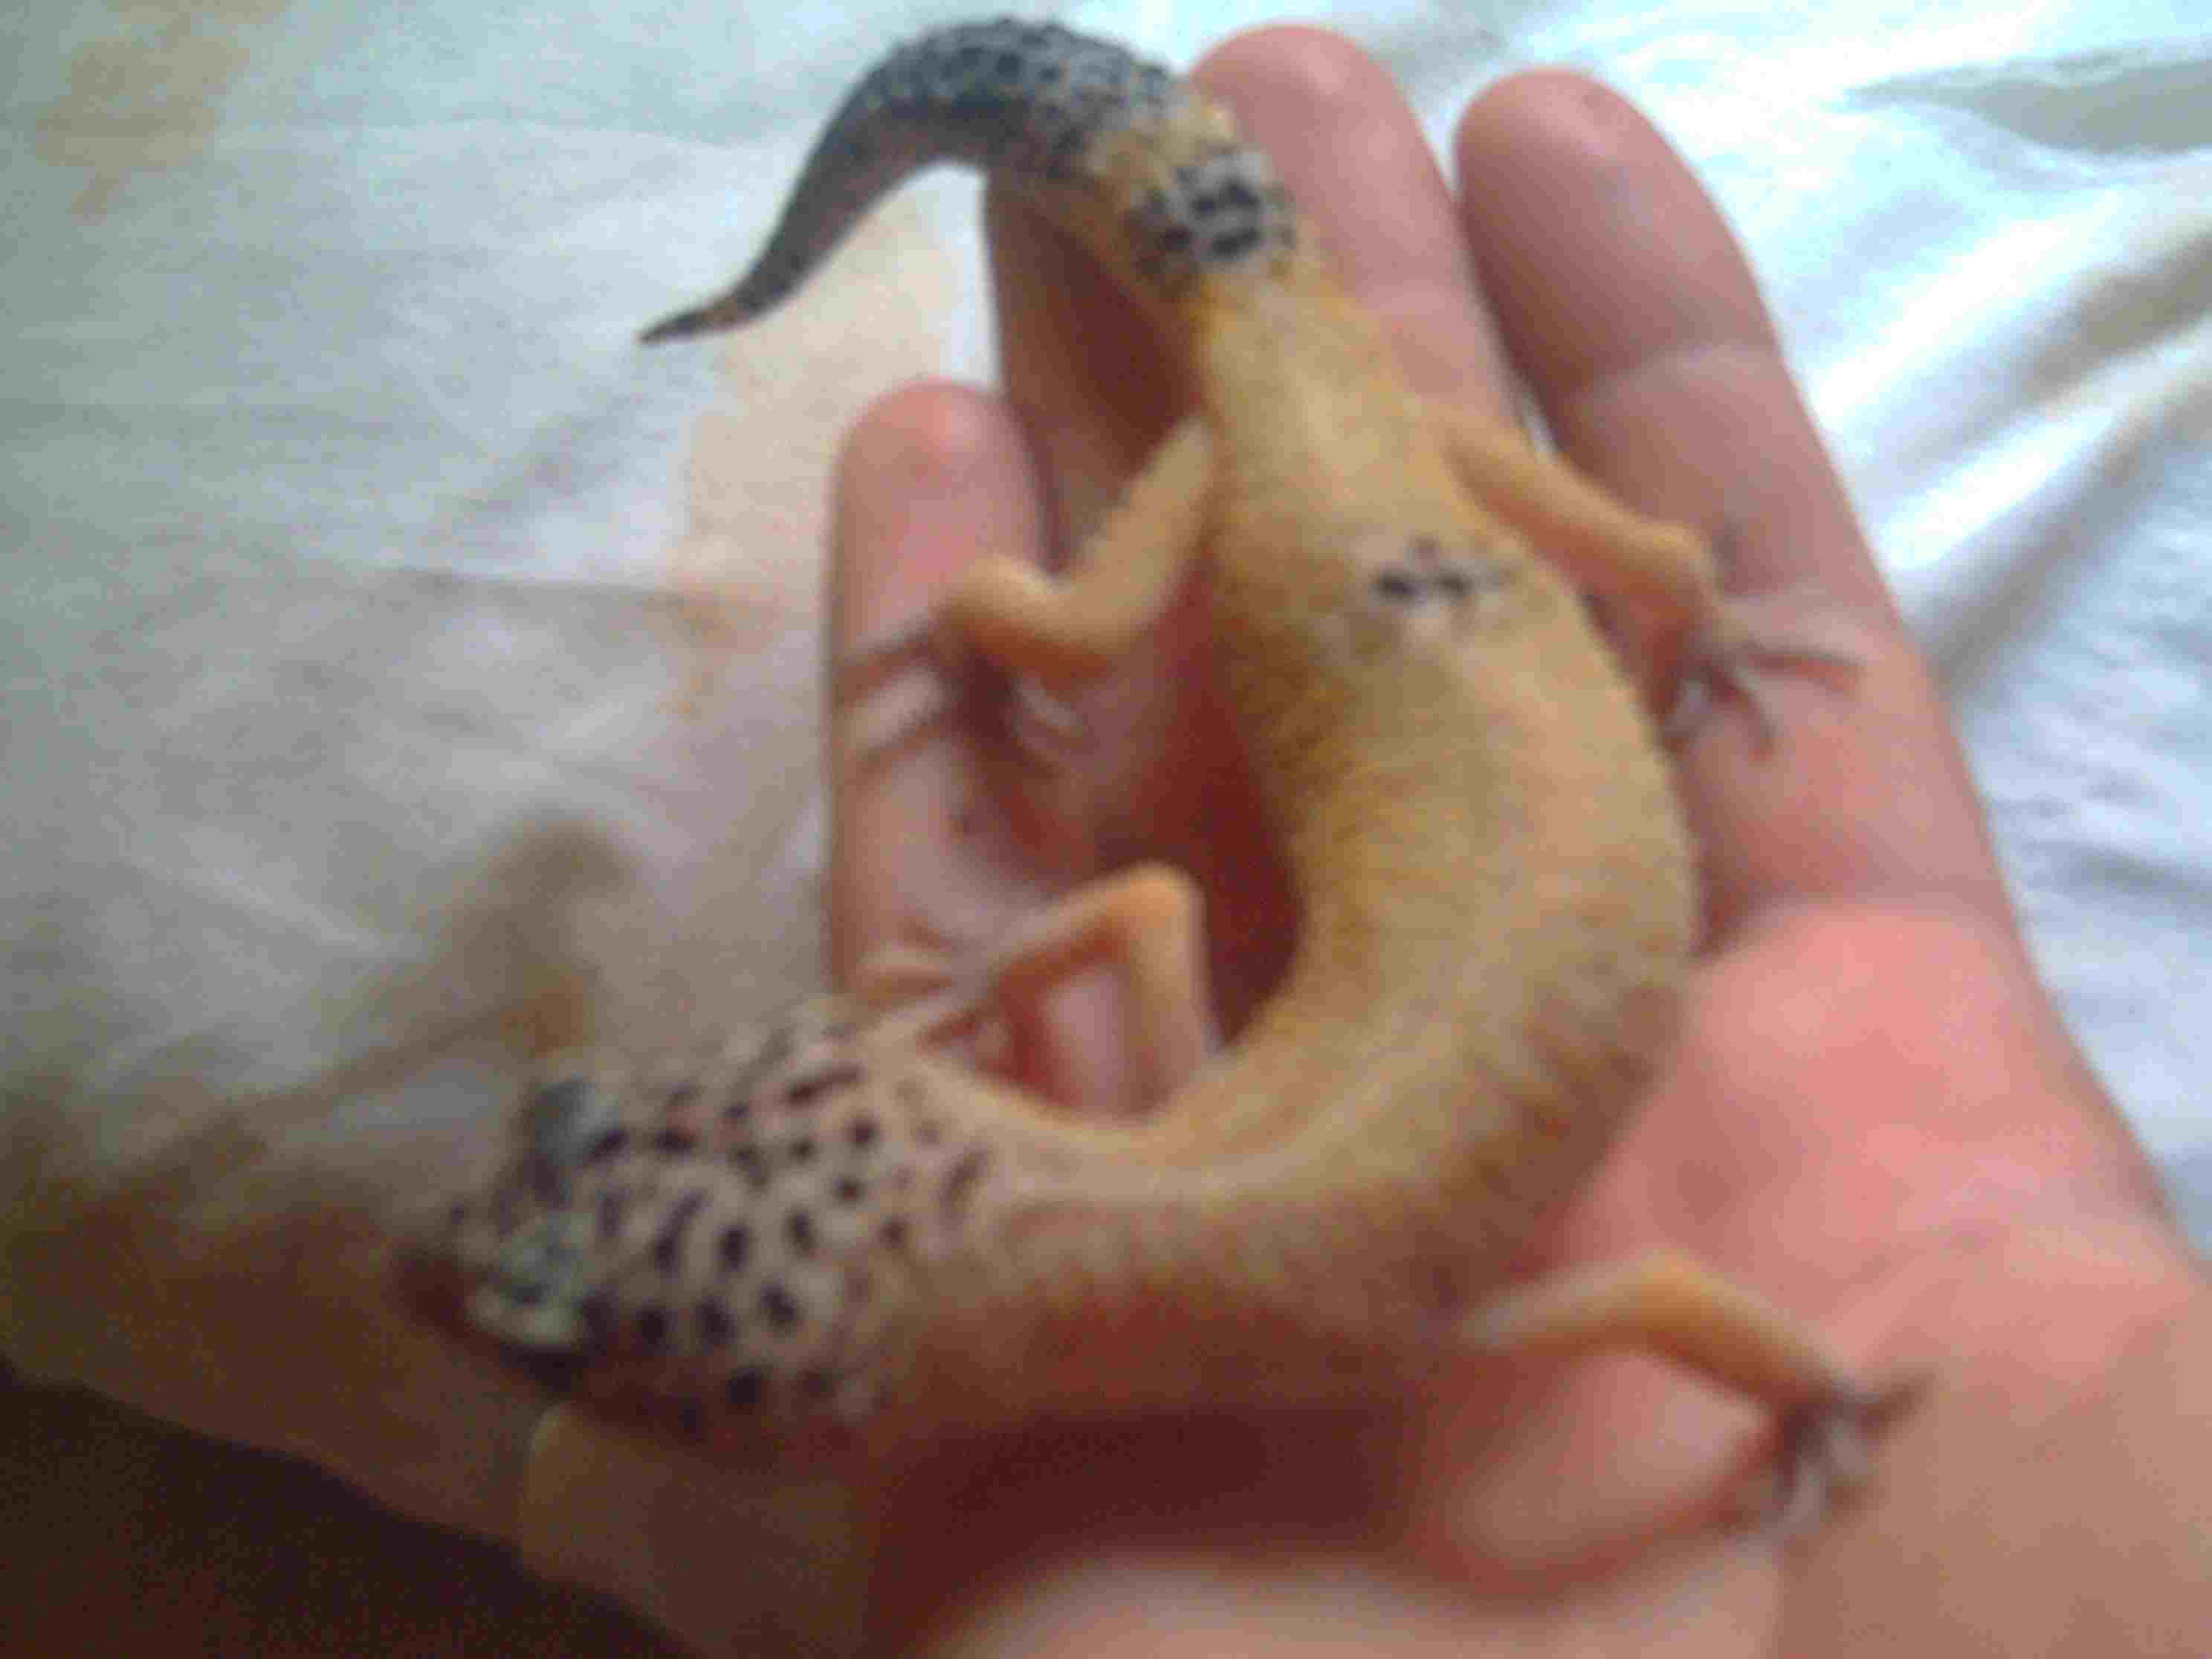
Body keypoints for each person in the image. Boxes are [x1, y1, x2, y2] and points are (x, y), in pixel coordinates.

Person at [821, 28, 2211, 1655]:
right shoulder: (1278, 1206)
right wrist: (1688, 600)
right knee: (1076, 628)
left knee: (1074, 630)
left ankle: (1013, 594)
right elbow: (1145, 921)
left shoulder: (1294, 1232)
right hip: (1375, 519)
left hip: (1344, 516)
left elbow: (1654, 1299)